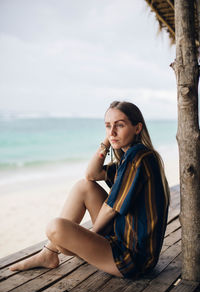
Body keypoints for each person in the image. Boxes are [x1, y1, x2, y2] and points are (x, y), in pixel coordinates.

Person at [10, 101, 170, 279]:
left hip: (132, 259)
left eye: (120, 125)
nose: (112, 132)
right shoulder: (129, 157)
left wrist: (89, 237)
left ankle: (52, 252)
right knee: (83, 187)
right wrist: (108, 142)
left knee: (55, 228)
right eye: (108, 126)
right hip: (122, 238)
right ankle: (49, 253)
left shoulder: (138, 157)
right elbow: (91, 174)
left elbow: (111, 208)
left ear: (137, 128)